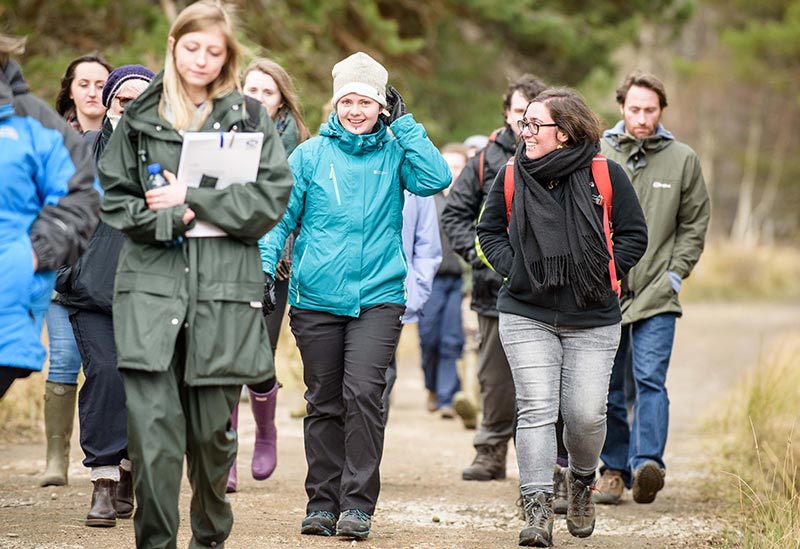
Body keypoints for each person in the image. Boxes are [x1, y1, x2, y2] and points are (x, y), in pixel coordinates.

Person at [96, 2, 293, 547]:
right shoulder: (140, 117)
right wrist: (166, 219)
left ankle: (209, 539)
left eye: (213, 50)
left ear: (227, 55)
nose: (201, 60)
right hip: (150, 294)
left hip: (224, 296)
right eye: (191, 48)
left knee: (211, 441)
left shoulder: (249, 118)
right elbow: (114, 200)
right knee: (153, 443)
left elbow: (270, 201)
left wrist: (194, 198)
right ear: (173, 46)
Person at [259, 51, 451, 540]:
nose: (355, 110)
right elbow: (280, 218)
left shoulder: (396, 152)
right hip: (316, 299)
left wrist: (405, 126)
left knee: (364, 394)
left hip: (378, 297)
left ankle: (358, 505)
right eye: (347, 101)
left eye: (366, 101)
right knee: (324, 400)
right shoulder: (309, 156)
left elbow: (436, 178)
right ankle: (322, 503)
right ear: (335, 103)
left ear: (382, 105)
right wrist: (263, 266)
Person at [476, 88, 648, 547]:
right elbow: (488, 231)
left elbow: (634, 234)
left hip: (593, 316)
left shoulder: (605, 174)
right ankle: (536, 508)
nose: (525, 132)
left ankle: (581, 481)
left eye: (536, 125)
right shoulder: (512, 174)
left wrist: (604, 272)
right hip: (526, 312)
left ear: (565, 133)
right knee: (536, 408)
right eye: (524, 124)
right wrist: (516, 269)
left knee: (585, 415)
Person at [594, 70, 710, 506]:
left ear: (662, 111)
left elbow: (694, 223)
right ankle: (613, 471)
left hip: (658, 292)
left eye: (650, 110)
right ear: (621, 108)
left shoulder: (683, 159)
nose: (642, 118)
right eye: (635, 109)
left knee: (649, 380)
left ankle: (648, 467)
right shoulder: (597, 152)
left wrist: (675, 273)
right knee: (608, 387)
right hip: (604, 292)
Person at [56, 64, 155, 527]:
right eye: (123, 100)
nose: (131, 108)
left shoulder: (169, 155)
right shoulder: (83, 149)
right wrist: (65, 272)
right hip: (91, 292)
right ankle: (103, 479)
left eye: (142, 100)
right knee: (107, 374)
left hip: (151, 295)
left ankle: (131, 467)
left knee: (144, 383)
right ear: (110, 103)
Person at [441, 73, 547, 482]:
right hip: (493, 290)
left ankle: (542, 465)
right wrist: (480, 256)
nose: (526, 122)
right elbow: (455, 213)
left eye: (534, 114)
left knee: (540, 380)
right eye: (519, 112)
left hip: (548, 293)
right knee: (496, 378)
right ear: (506, 112)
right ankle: (490, 452)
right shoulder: (485, 160)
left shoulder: (559, 156)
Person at [225, 57, 311, 493]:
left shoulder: (300, 148)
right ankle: (224, 454)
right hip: (222, 259)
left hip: (274, 264)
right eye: (251, 90)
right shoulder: (220, 136)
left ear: (281, 102)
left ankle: (265, 430)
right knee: (222, 357)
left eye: (267, 92)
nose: (257, 98)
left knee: (257, 357)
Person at [0, 33, 99, 399]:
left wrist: (33, 253)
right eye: (83, 84)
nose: (92, 92)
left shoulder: (34, 122)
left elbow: (81, 196)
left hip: (15, 298)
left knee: (71, 363)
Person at [40, 53, 112, 487]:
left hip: (105, 275)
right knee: (65, 358)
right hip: (61, 271)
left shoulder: (125, 141)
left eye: (100, 83)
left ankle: (108, 454)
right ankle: (56, 456)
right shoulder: (51, 138)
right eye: (83, 83)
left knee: (105, 367)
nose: (91, 92)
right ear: (69, 89)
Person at [381, 191, 441, 422]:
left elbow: (427, 244)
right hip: (338, 292)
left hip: (393, 293)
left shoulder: (415, 185)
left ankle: (366, 441)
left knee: (377, 375)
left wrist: (416, 291)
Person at [417, 143, 468, 418]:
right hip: (431, 281)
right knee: (429, 338)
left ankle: (447, 398)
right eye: (448, 166)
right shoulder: (427, 195)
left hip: (460, 280)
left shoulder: (469, 198)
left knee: (451, 339)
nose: (453, 172)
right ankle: (432, 387)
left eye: (458, 166)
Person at [55, 54, 112, 133]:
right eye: (84, 85)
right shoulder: (53, 134)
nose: (92, 93)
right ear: (70, 91)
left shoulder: (124, 135)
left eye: (100, 86)